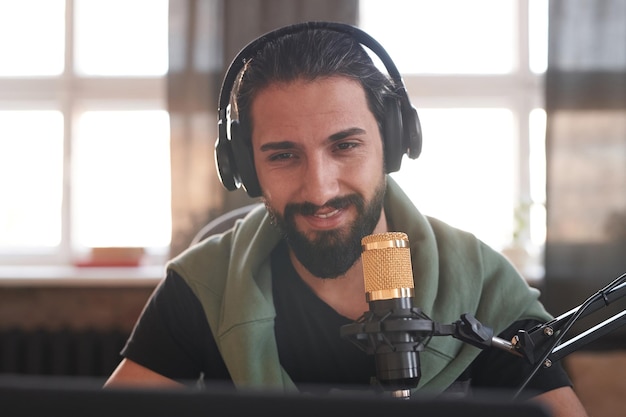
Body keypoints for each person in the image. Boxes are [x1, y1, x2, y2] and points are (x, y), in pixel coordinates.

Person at [105, 22, 588, 417]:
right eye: (283, 156)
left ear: (394, 146)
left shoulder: (485, 286)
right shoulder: (205, 284)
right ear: (245, 169)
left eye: (345, 146)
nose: (320, 189)